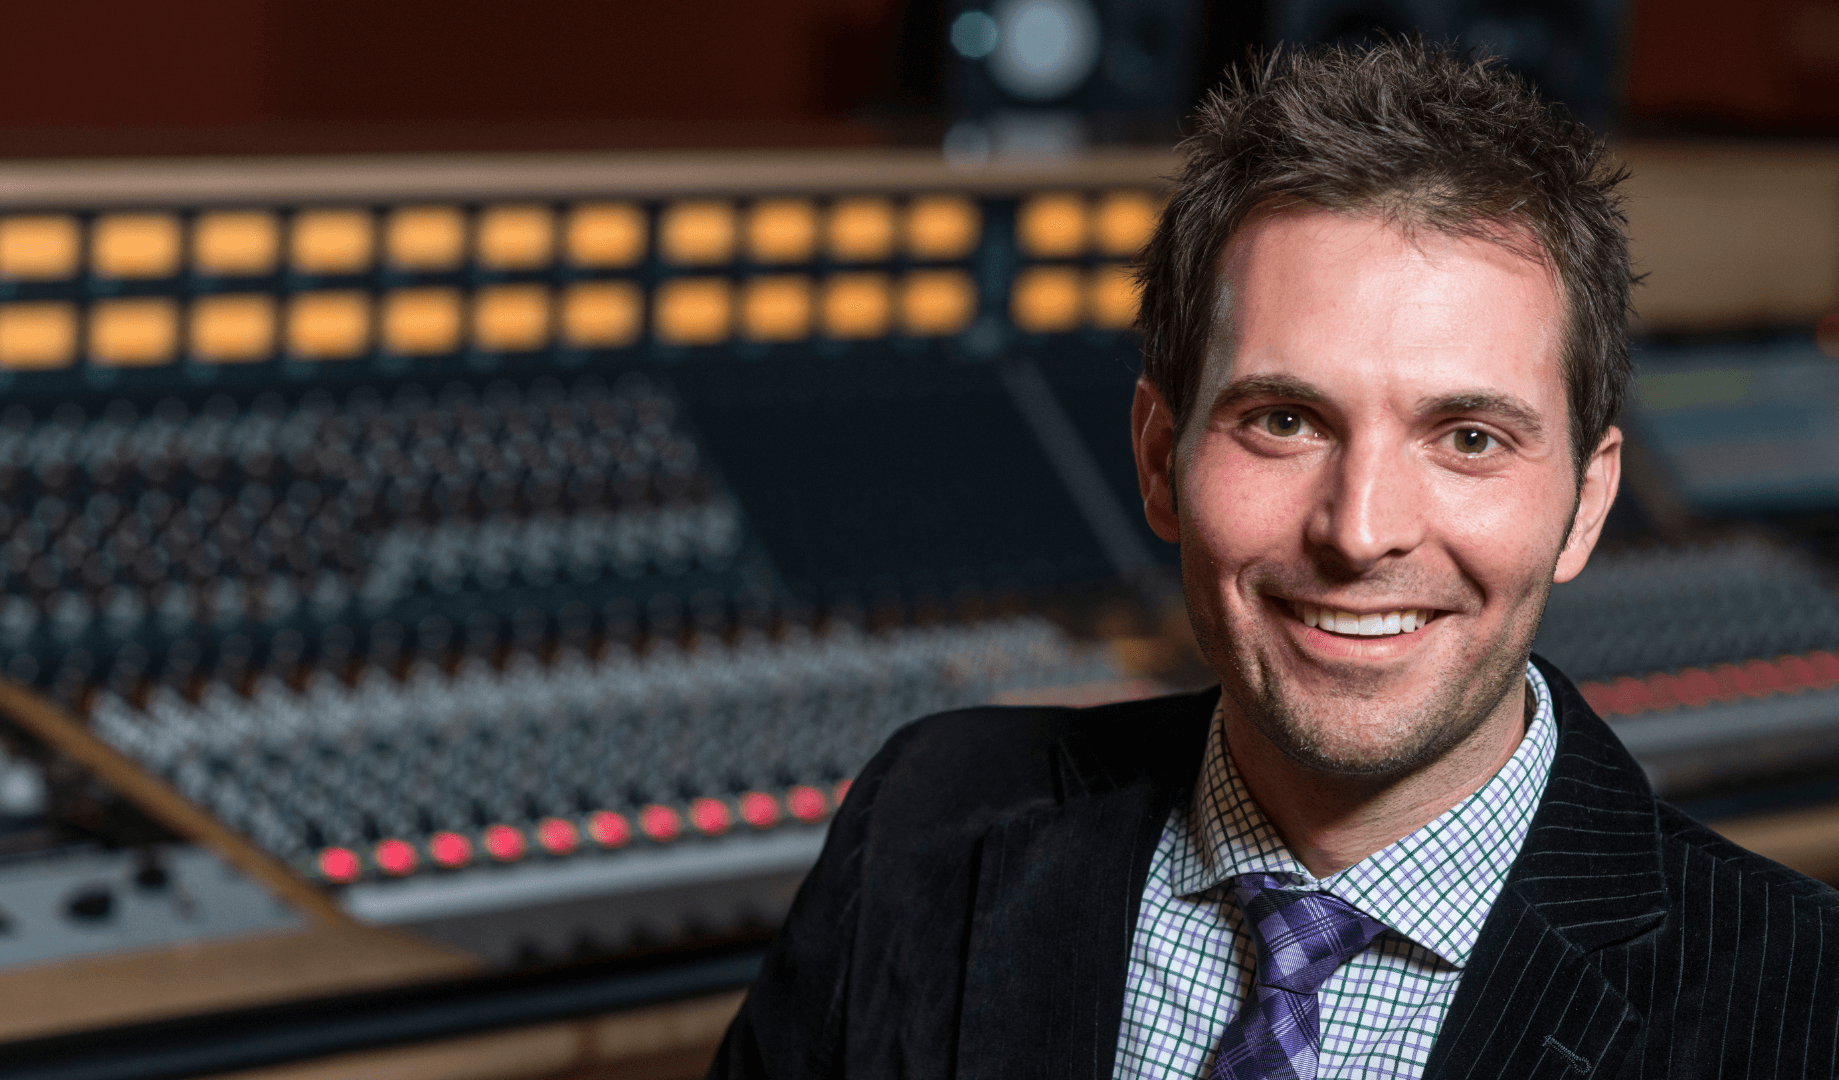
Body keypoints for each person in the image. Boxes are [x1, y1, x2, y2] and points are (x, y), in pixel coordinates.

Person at [709, 40, 1839, 1080]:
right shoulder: (926, 823)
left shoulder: (1806, 1003)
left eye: (1468, 439)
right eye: (1286, 421)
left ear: (1587, 503)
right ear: (1161, 458)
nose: (1358, 531)